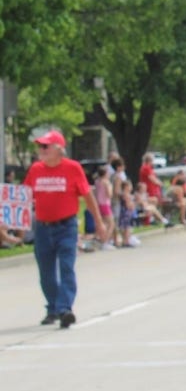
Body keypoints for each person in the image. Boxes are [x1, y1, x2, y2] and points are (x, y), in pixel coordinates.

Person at [23, 130, 106, 328]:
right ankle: (53, 307)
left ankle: (64, 309)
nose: (41, 150)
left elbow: (88, 196)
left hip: (66, 226)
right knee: (46, 272)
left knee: (67, 267)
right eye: (40, 146)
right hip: (43, 227)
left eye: (45, 146)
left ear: (59, 149)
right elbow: (23, 196)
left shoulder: (73, 168)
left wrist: (99, 222)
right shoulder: (35, 170)